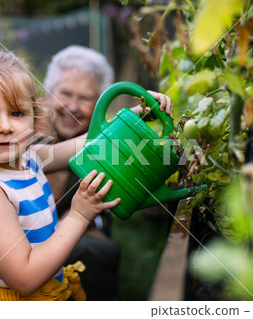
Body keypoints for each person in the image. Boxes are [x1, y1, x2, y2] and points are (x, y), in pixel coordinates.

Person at [0, 48, 172, 301]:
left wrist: (138, 115)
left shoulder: (28, 158)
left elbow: (94, 143)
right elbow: (25, 278)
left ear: (34, 116)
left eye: (17, 113)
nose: (5, 127)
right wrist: (79, 215)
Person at [41, 45, 173, 300]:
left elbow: (100, 147)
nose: (72, 107)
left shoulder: (105, 142)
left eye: (85, 98)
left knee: (93, 251)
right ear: (48, 94)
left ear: (101, 100)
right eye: (65, 94)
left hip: (76, 221)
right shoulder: (21, 132)